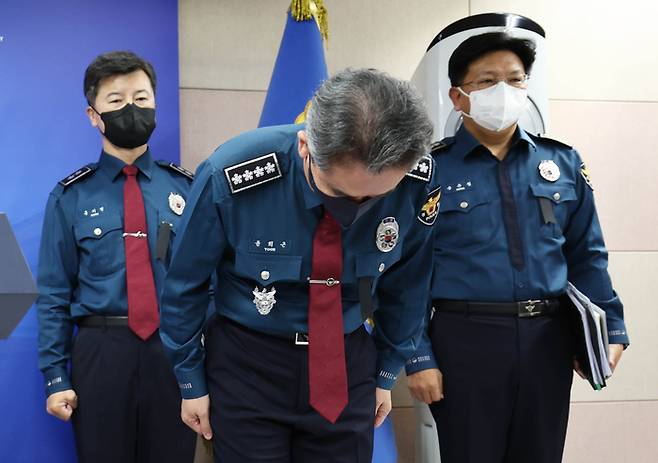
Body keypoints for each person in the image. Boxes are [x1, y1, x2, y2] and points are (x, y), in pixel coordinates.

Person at [159, 68, 439, 462]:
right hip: (248, 364)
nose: (353, 213)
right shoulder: (233, 173)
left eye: (375, 198)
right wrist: (190, 382)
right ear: (306, 145)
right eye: (340, 194)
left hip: (347, 362)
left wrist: (386, 370)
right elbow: (184, 284)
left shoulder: (415, 180)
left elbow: (408, 285)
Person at [404, 32, 629, 463]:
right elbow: (406, 271)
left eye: (515, 79)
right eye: (487, 82)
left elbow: (587, 255)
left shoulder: (562, 163)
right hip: (464, 341)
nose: (503, 92)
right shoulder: (427, 171)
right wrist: (417, 354)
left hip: (549, 338)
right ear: (458, 96)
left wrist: (610, 330)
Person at [36, 51, 196, 463]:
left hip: (174, 352)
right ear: (94, 115)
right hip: (100, 351)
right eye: (117, 100)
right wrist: (55, 376)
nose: (131, 108)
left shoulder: (188, 189)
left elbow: (207, 282)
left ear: (156, 105)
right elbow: (54, 293)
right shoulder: (70, 196)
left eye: (141, 99)